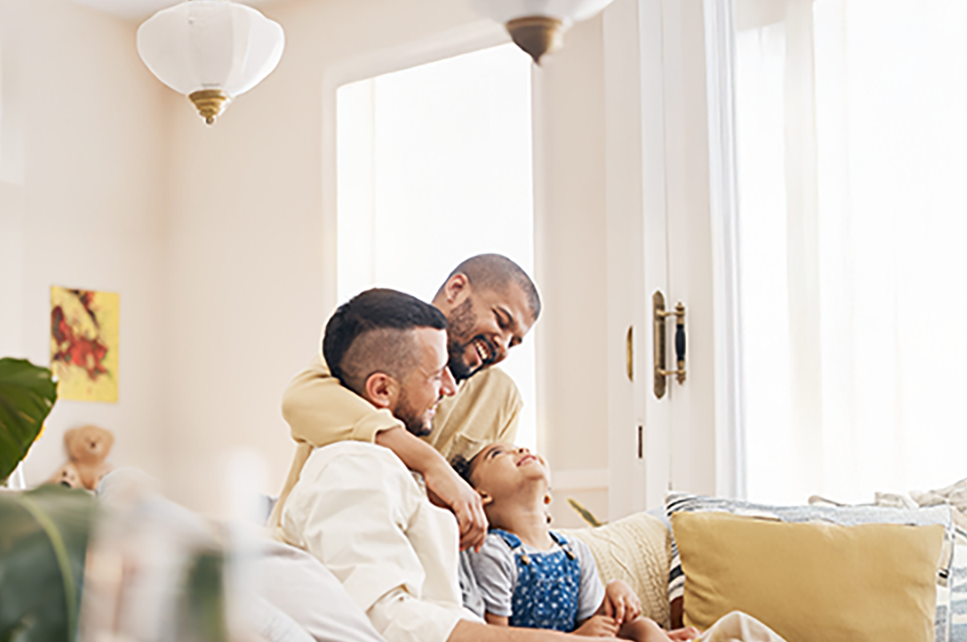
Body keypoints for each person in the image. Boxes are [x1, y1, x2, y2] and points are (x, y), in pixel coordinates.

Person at [280, 289, 623, 642]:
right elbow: (387, 620)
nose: (451, 389)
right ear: (381, 389)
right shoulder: (351, 469)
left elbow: (445, 609)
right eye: (435, 374)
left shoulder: (405, 481)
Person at [269, 254, 541, 553]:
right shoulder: (382, 334)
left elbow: (496, 498)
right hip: (311, 550)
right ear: (456, 289)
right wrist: (432, 464)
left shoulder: (503, 397)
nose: (502, 346)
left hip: (419, 566)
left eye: (513, 342)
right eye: (501, 321)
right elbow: (300, 401)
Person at [454, 444, 699, 642]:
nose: (520, 450)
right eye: (497, 454)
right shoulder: (493, 552)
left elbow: (596, 625)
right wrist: (580, 637)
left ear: (547, 495)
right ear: (480, 496)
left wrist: (613, 593)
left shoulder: (573, 551)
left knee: (642, 626)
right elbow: (498, 636)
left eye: (519, 447)